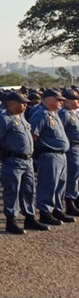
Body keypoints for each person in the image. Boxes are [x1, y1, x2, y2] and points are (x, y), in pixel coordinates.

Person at [0, 91, 45, 234]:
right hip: (13, 160)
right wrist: (7, 150)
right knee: (12, 190)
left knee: (28, 190)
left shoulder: (21, 117)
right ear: (12, 103)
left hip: (27, 160)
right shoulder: (4, 119)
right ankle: (11, 220)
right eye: (22, 103)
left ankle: (29, 217)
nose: (25, 105)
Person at [29, 89, 74, 225]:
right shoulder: (41, 115)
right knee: (48, 183)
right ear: (48, 99)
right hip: (49, 154)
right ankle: (45, 212)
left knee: (60, 184)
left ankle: (57, 209)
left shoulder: (53, 114)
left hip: (60, 154)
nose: (61, 102)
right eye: (58, 99)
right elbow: (33, 136)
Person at [61, 89, 79, 217]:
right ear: (66, 101)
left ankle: (75, 198)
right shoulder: (64, 114)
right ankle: (69, 202)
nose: (77, 101)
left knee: (76, 176)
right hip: (71, 148)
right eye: (74, 99)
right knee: (71, 176)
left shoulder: (73, 113)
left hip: (77, 147)